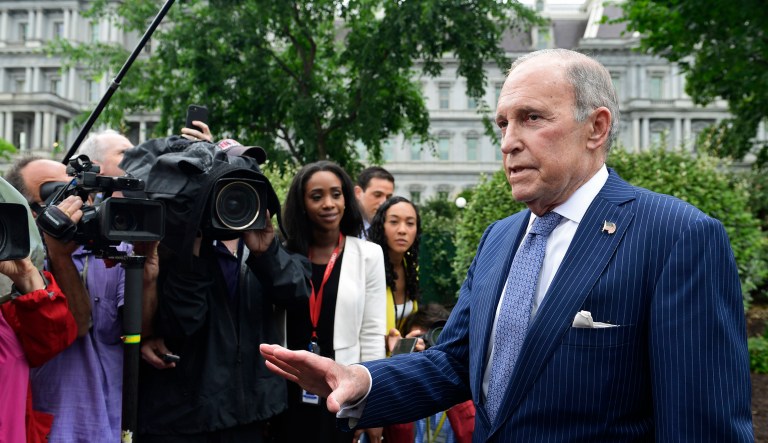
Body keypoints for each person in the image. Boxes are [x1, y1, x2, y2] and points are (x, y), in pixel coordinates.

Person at [260, 48, 754, 442]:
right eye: (503, 123)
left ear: (596, 127)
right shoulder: (499, 237)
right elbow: (454, 362)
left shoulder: (677, 236)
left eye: (532, 118)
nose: (508, 141)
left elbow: (701, 427)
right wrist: (362, 380)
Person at [134, 139, 311, 442]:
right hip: (183, 419)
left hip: (250, 414)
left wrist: (266, 253)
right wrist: (192, 249)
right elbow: (180, 325)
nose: (234, 200)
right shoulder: (171, 246)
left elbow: (297, 296)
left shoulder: (264, 244)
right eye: (228, 184)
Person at [5, 157, 147, 442]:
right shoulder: (14, 263)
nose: (76, 204)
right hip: (49, 427)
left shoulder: (117, 249)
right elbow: (77, 325)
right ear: (27, 211)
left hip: (113, 424)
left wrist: (149, 270)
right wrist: (59, 256)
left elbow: (142, 331)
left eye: (79, 192)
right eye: (57, 195)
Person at [278, 160, 386, 442]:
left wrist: (371, 405)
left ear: (346, 199)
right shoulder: (282, 255)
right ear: (302, 204)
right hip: (287, 390)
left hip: (343, 389)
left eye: (336, 194)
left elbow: (372, 333)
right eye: (317, 196)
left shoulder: (369, 255)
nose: (329, 204)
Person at [368, 196, 422, 353]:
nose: (402, 230)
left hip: (399, 362)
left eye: (410, 223)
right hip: (369, 361)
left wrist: (411, 342)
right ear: (381, 226)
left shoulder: (411, 268)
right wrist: (386, 342)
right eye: (394, 222)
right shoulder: (367, 266)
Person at [354, 166, 395, 238]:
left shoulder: (393, 232)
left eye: (388, 197)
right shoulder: (340, 227)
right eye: (377, 195)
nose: (384, 202)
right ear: (358, 193)